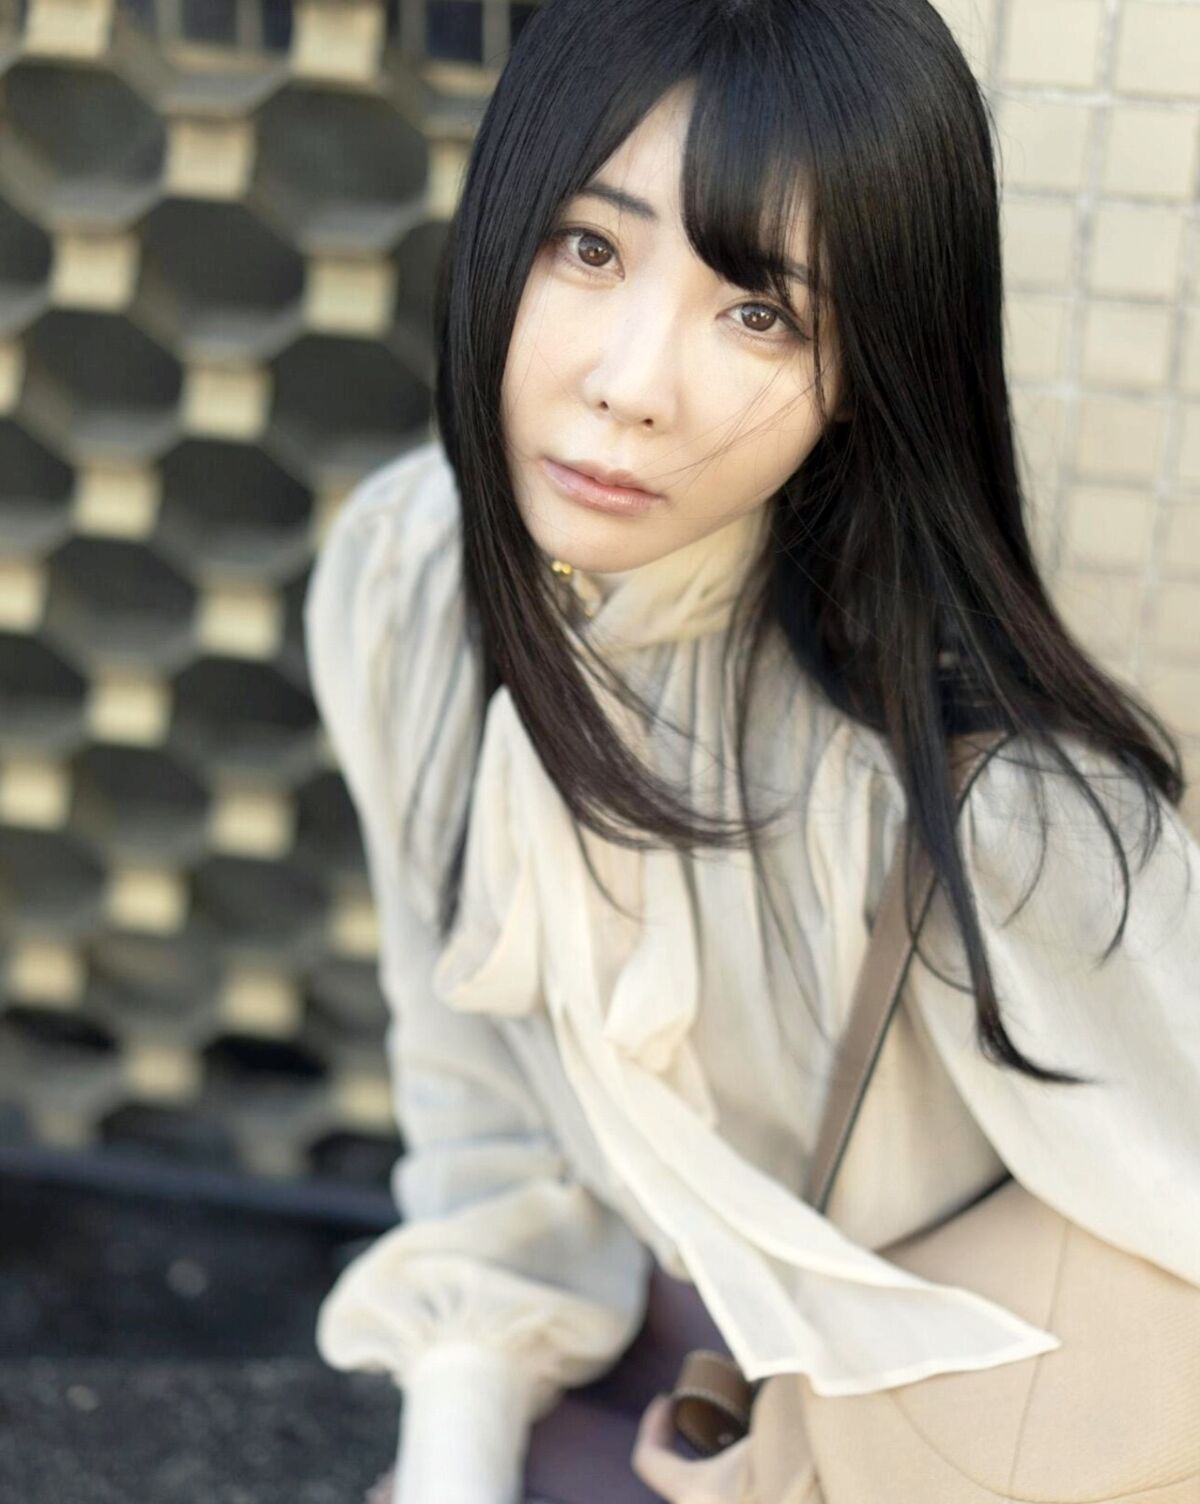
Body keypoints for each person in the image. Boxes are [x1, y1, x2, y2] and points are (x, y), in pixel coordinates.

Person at [302, 1, 1200, 1501]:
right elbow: (472, 1104)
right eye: (590, 246)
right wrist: (453, 1461)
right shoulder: (405, 575)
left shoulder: (981, 798)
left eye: (762, 312)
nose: (632, 383)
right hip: (609, 1397)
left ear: (867, 372)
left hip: (891, 1437)